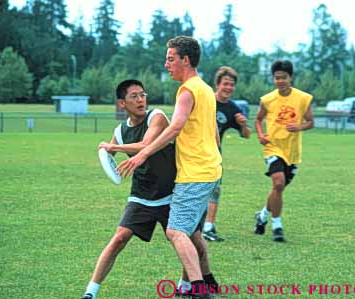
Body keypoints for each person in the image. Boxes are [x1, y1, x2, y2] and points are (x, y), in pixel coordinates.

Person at [80, 79, 213, 299]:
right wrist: (106, 155)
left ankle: (186, 285)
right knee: (119, 238)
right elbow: (107, 155)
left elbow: (145, 145)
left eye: (143, 94)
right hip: (142, 195)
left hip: (173, 193)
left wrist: (112, 147)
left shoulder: (157, 116)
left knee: (193, 242)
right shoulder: (120, 132)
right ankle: (90, 292)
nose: (140, 100)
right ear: (122, 103)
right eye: (134, 96)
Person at [117, 36, 222, 298]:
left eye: (171, 58)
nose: (166, 64)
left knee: (175, 231)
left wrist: (143, 153)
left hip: (195, 173)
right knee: (191, 232)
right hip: (209, 170)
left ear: (185, 60)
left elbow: (174, 127)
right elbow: (215, 132)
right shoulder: (206, 89)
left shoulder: (187, 90)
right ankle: (207, 281)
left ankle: (198, 289)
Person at [253, 60, 314, 242]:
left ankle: (262, 215)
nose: (280, 81)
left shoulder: (303, 98)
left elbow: (311, 122)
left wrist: (300, 126)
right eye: (277, 78)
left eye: (284, 77)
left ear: (291, 77)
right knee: (278, 183)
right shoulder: (268, 99)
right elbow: (257, 120)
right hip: (273, 147)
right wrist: (260, 134)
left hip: (292, 152)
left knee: (277, 189)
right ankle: (277, 226)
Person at [202, 66, 251, 242]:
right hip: (193, 150)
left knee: (214, 189)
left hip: (215, 153)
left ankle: (208, 227)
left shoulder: (233, 109)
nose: (229, 87)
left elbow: (246, 135)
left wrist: (243, 124)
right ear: (218, 84)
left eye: (231, 85)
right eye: (225, 84)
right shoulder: (205, 100)